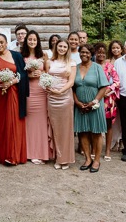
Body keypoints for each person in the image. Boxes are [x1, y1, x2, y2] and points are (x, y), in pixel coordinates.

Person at [0, 34, 29, 166]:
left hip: (13, 93)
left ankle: (13, 155)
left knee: (13, 122)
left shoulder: (16, 56)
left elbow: (23, 74)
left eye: (2, 42)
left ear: (7, 43)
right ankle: (1, 154)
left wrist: (12, 81)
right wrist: (1, 83)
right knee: (0, 123)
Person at [73, 44, 109, 173]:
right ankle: (87, 159)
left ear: (91, 54)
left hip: (95, 105)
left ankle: (97, 160)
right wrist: (77, 102)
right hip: (80, 106)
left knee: (96, 132)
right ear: (79, 53)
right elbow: (72, 87)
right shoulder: (75, 68)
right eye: (82, 52)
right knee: (82, 132)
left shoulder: (97, 67)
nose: (84, 54)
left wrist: (94, 102)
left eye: (87, 52)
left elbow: (104, 87)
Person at [21, 30, 52, 164]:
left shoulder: (43, 55)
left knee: (41, 122)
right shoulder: (22, 56)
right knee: (29, 122)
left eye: (34, 39)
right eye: (30, 39)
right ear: (26, 41)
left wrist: (41, 73)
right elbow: (19, 74)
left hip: (41, 90)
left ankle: (41, 152)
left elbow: (48, 71)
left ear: (38, 41)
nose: (32, 41)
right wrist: (28, 75)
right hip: (28, 91)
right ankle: (29, 152)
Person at [46, 39, 76, 170]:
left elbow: (71, 82)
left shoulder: (72, 63)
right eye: (60, 46)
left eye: (64, 47)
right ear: (56, 47)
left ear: (67, 49)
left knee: (66, 129)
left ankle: (66, 159)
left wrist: (60, 91)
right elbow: (46, 77)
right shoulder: (49, 62)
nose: (62, 48)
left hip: (64, 98)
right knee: (55, 128)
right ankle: (58, 157)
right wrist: (47, 87)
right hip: (51, 98)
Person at [93, 42, 119, 162]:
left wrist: (108, 90)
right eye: (99, 52)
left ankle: (107, 150)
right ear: (95, 53)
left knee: (108, 125)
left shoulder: (110, 66)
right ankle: (94, 148)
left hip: (108, 99)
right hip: (94, 98)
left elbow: (117, 81)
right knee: (94, 124)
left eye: (103, 52)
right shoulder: (91, 66)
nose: (101, 54)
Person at [107, 39, 124, 152]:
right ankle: (114, 140)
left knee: (123, 118)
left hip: (122, 91)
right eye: (113, 48)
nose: (115, 50)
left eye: (118, 48)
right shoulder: (108, 61)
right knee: (114, 118)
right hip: (110, 93)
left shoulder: (125, 60)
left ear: (121, 49)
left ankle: (122, 140)